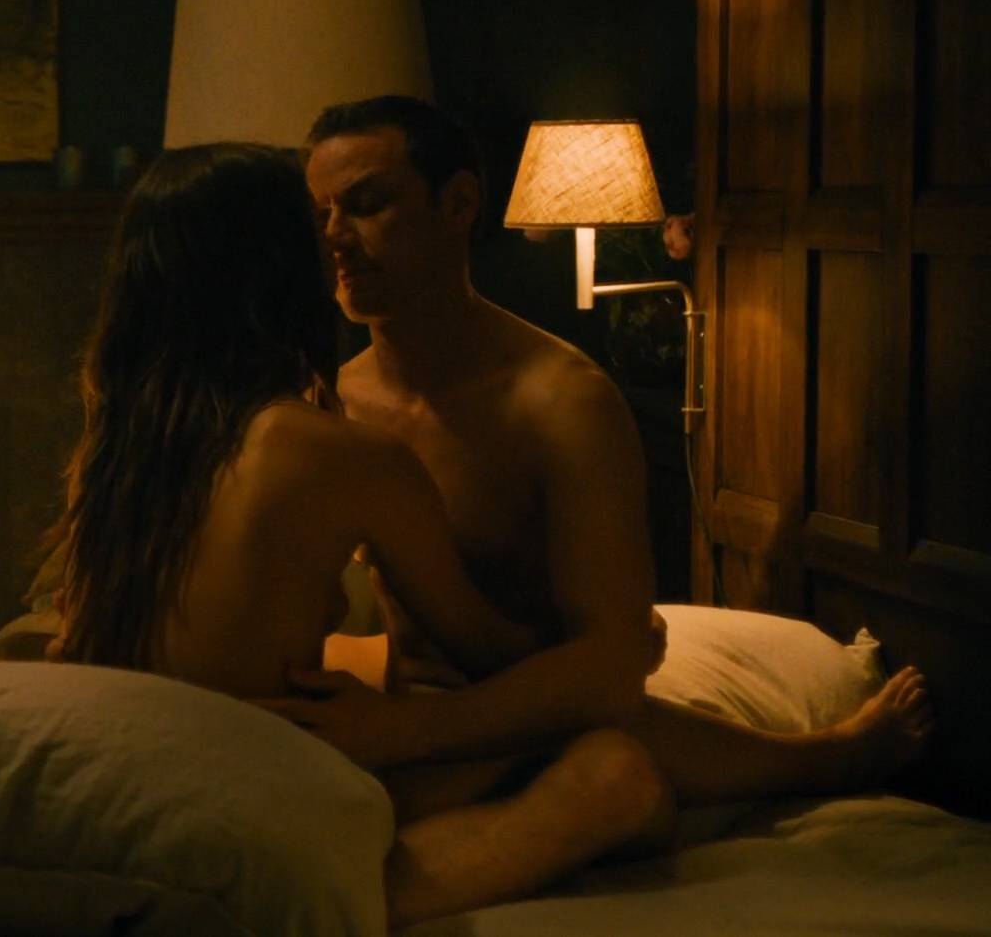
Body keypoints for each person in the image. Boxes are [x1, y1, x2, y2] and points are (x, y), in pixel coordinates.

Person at [46, 142, 678, 927]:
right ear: (281, 268)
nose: (336, 240)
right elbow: (488, 655)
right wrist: (616, 654)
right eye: (316, 226)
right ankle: (314, 905)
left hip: (119, 786)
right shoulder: (335, 452)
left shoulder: (115, 451)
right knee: (616, 770)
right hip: (236, 801)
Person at [273, 95, 931, 808]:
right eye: (320, 214)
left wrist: (406, 731)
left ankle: (825, 759)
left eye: (366, 205)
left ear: (457, 203)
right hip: (422, 715)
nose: (334, 237)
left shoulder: (560, 401)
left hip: (547, 716)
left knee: (616, 751)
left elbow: (610, 671)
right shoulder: (332, 400)